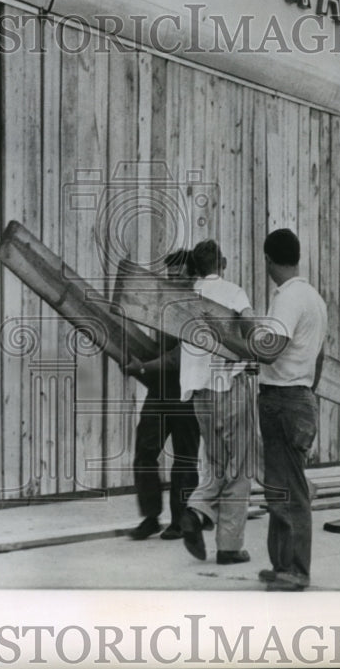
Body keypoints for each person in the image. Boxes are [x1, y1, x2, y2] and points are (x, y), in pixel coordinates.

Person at [236, 228, 327, 592]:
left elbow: (270, 348)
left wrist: (239, 341)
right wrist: (305, 388)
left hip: (284, 399)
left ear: (268, 260)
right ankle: (282, 564)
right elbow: (318, 355)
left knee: (288, 489)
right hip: (296, 394)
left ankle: (295, 570)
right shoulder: (313, 298)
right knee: (279, 487)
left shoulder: (288, 298)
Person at [174, 240, 257, 565]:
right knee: (239, 467)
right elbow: (251, 329)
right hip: (228, 385)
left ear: (195, 267)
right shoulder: (234, 292)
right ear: (222, 261)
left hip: (198, 392)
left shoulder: (185, 299)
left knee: (216, 463)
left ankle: (195, 513)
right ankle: (229, 547)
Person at [126, 249, 201, 541]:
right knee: (145, 451)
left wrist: (142, 368)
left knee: (185, 457)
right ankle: (150, 517)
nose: (172, 281)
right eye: (169, 276)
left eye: (179, 277)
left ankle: (181, 520)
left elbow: (179, 357)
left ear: (193, 277)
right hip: (161, 390)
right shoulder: (164, 304)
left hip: (188, 390)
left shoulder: (198, 307)